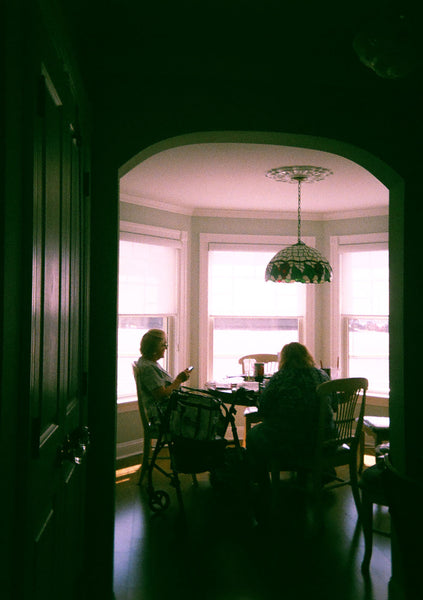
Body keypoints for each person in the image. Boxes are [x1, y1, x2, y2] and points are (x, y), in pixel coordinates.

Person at [246, 342, 335, 511]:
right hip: (323, 439)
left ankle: (262, 483)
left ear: (284, 359)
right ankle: (318, 472)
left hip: (289, 440)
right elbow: (335, 404)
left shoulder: (281, 377)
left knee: (252, 435)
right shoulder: (322, 375)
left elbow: (263, 408)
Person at [136, 329, 191, 425]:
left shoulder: (149, 362)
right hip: (164, 414)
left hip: (169, 408)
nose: (165, 348)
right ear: (154, 349)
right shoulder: (148, 368)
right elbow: (161, 395)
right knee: (207, 410)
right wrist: (179, 380)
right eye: (163, 345)